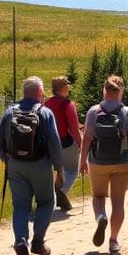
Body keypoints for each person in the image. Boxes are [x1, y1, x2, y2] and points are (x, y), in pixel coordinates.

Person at [0, 76, 64, 255]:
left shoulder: (10, 112)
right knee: (47, 201)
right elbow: (55, 143)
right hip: (40, 164)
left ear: (24, 93)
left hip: (15, 165)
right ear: (40, 92)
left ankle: (20, 241)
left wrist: (7, 160)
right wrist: (59, 168)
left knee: (21, 205)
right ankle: (38, 242)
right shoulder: (45, 113)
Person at [79, 75, 128, 254]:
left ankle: (101, 216)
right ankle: (113, 240)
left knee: (98, 196)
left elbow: (87, 138)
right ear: (121, 91)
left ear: (104, 91)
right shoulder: (127, 112)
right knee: (118, 202)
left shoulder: (93, 111)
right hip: (121, 162)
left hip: (97, 162)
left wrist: (82, 160)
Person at [43, 75, 82, 211]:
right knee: (72, 170)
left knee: (58, 171)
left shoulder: (46, 103)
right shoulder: (68, 104)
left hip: (49, 144)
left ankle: (53, 197)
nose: (68, 89)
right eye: (67, 86)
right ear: (63, 88)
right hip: (66, 143)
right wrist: (81, 144)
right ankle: (61, 193)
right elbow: (73, 128)